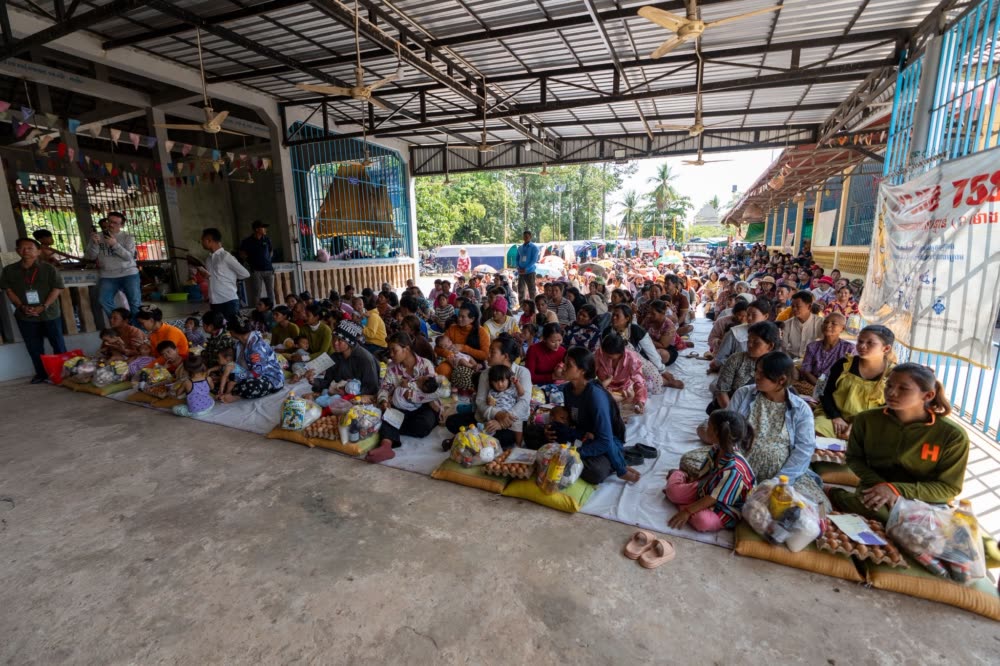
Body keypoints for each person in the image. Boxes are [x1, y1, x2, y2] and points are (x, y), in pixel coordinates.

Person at [829, 364, 970, 523]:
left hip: (924, 499)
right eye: (889, 385)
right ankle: (836, 494)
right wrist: (881, 486)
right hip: (876, 488)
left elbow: (949, 487)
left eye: (903, 388)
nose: (891, 393)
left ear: (928, 395)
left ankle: (840, 497)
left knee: (916, 525)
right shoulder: (866, 420)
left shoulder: (952, 435)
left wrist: (896, 490)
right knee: (877, 511)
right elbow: (854, 458)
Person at [725, 352, 827, 506]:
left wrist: (778, 481)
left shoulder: (800, 409)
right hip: (740, 465)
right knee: (693, 464)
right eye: (756, 371)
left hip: (781, 472)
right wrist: (732, 463)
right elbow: (728, 430)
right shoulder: (743, 394)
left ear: (781, 380)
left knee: (815, 506)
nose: (756, 376)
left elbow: (804, 449)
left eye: (762, 374)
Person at [547, 347, 641, 485]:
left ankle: (616, 462)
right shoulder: (567, 389)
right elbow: (572, 420)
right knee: (535, 433)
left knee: (595, 472)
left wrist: (576, 452)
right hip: (584, 436)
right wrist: (553, 430)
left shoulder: (595, 396)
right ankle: (611, 460)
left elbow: (605, 441)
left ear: (582, 370)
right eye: (564, 363)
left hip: (606, 441)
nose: (563, 367)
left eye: (569, 365)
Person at [666, 410, 756, 532]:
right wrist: (690, 485)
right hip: (707, 488)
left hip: (727, 506)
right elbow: (704, 475)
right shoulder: (715, 449)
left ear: (717, 433)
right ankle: (679, 474)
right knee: (673, 492)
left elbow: (714, 498)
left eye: (708, 426)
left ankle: (688, 505)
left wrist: (687, 511)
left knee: (702, 522)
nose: (705, 429)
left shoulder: (734, 469)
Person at [444, 334, 533, 450]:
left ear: (505, 356)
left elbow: (524, 402)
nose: (488, 355)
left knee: (506, 436)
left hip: (512, 421)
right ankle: (477, 437)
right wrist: (497, 414)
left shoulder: (522, 372)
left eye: (492, 352)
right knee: (451, 422)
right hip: (488, 418)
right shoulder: (486, 374)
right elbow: (480, 401)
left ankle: (471, 437)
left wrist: (502, 422)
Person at [0, 237, 66, 382]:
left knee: (58, 344)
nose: (26, 251)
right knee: (34, 347)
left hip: (49, 313)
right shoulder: (9, 270)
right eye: (22, 248)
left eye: (30, 248)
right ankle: (41, 374)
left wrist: (44, 306)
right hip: (25, 315)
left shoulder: (49, 268)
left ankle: (64, 373)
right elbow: (8, 290)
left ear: (38, 251)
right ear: (17, 251)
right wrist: (21, 306)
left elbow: (57, 288)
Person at [367, 332, 440, 463]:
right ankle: (386, 447)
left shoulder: (425, 365)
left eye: (394, 350)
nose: (391, 354)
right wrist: (383, 401)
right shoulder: (392, 367)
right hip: (400, 405)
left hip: (422, 406)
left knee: (423, 424)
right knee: (387, 414)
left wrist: (412, 395)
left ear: (406, 349)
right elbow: (384, 388)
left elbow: (432, 393)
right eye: (390, 350)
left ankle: (395, 427)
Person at [815, 325, 896, 439]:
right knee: (816, 432)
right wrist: (836, 416)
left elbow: (889, 408)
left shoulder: (893, 374)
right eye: (860, 341)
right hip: (834, 417)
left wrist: (859, 425)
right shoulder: (844, 364)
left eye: (870, 343)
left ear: (886, 348)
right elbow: (825, 393)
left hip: (869, 423)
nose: (862, 346)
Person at [605, 304, 683, 391]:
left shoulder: (636, 330)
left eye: (617, 316)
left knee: (650, 377)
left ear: (627, 318)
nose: (614, 318)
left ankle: (665, 382)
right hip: (615, 363)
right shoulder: (607, 332)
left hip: (637, 361)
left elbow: (651, 351)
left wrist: (663, 370)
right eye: (613, 315)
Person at [83, 213, 142, 321]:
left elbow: (129, 257)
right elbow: (90, 257)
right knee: (104, 300)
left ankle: (136, 327)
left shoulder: (127, 237)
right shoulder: (98, 236)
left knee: (135, 302)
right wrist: (94, 244)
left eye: (115, 223)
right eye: (109, 221)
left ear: (122, 225)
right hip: (108, 275)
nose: (111, 225)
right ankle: (119, 323)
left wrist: (115, 245)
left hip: (128, 273)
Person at [713, 321, 780, 410]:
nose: (749, 344)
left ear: (770, 346)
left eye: (756, 342)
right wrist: (731, 412)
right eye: (749, 340)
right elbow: (722, 390)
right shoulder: (736, 359)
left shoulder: (779, 365)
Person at [306, 320, 381, 399]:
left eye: (340, 340)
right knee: (306, 399)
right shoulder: (335, 357)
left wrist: (347, 392)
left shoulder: (365, 359)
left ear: (350, 342)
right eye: (334, 338)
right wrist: (313, 381)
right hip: (337, 395)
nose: (335, 343)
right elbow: (328, 382)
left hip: (357, 399)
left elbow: (372, 389)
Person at [219, 316, 284, 403]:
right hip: (249, 374)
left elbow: (257, 372)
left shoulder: (256, 346)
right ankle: (232, 391)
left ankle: (236, 395)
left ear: (233, 331)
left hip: (269, 378)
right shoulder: (240, 344)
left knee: (250, 386)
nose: (229, 333)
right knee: (225, 376)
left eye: (229, 331)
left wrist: (236, 378)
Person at [199, 227, 250, 324]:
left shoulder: (226, 257)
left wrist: (231, 279)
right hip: (214, 301)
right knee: (219, 329)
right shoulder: (208, 259)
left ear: (209, 240)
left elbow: (245, 274)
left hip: (229, 300)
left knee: (232, 328)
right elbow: (211, 278)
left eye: (202, 240)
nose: (201, 242)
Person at [435, 302, 490, 390]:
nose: (459, 319)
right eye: (459, 315)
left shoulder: (481, 332)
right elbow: (438, 348)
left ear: (472, 319)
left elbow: (485, 355)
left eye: (463, 317)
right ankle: (446, 389)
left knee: (465, 376)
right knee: (442, 370)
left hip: (473, 363)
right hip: (453, 360)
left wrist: (464, 348)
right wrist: (450, 356)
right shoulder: (452, 328)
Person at [796, 312, 855, 390]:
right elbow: (806, 371)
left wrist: (828, 390)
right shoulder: (812, 347)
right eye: (826, 322)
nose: (828, 325)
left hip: (837, 389)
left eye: (833, 323)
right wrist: (821, 387)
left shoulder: (848, 348)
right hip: (813, 385)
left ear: (842, 328)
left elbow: (849, 375)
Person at [710, 298, 770, 371]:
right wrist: (736, 364)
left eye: (754, 315)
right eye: (748, 314)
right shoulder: (734, 332)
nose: (749, 318)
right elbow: (720, 359)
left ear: (766, 316)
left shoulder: (772, 333)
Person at [595, 332, 648, 414]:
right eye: (606, 354)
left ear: (621, 352)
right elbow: (592, 374)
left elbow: (639, 380)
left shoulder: (631, 358)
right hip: (604, 387)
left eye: (610, 356)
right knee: (597, 395)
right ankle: (621, 399)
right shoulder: (599, 354)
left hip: (624, 388)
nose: (607, 357)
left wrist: (640, 401)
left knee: (631, 394)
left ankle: (624, 400)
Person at [239, 220, 275, 307]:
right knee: (257, 292)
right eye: (263, 227)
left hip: (268, 270)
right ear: (257, 229)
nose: (265, 229)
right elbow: (242, 253)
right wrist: (249, 261)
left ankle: (271, 308)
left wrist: (267, 260)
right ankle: (257, 309)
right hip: (256, 271)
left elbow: (271, 251)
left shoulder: (267, 239)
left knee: (270, 291)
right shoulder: (247, 241)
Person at [782, 291, 824, 359]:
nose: (794, 309)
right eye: (792, 306)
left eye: (798, 306)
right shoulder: (786, 324)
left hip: (813, 360)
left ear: (809, 307)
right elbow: (783, 348)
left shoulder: (821, 323)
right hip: (791, 360)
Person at [642, 299, 678, 367]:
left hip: (666, 349)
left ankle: (645, 361)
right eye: (649, 312)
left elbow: (663, 345)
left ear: (662, 313)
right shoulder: (648, 320)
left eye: (653, 313)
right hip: (648, 346)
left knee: (662, 354)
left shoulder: (669, 325)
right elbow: (640, 331)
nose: (649, 315)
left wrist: (645, 340)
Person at [515, 229, 540, 303]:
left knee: (531, 290)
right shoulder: (520, 248)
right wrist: (518, 267)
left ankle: (533, 305)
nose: (525, 238)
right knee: (520, 289)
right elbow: (517, 259)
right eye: (524, 236)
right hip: (521, 272)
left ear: (530, 237)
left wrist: (526, 268)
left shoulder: (534, 248)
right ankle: (522, 305)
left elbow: (534, 260)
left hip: (530, 272)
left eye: (527, 236)